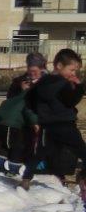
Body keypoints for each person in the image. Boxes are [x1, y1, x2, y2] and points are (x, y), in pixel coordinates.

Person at [23, 48, 85, 186]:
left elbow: (29, 99)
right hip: (65, 125)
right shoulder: (62, 83)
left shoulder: (41, 82)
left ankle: (26, 179)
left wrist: (40, 113)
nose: (73, 74)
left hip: (47, 126)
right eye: (72, 70)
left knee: (41, 153)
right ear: (59, 66)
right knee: (82, 151)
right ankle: (83, 179)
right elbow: (70, 101)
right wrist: (79, 87)